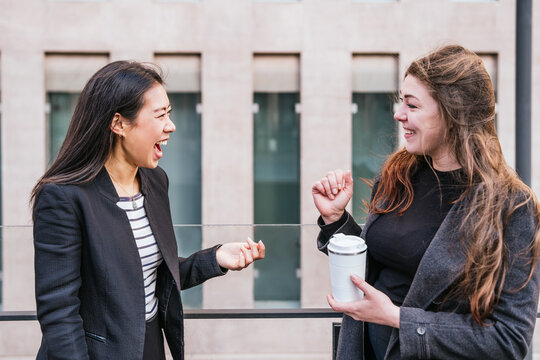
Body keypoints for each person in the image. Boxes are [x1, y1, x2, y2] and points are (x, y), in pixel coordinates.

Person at [312, 45, 540, 359]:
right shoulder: (398, 174)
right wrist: (336, 220)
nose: (398, 114)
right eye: (400, 101)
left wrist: (398, 319)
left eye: (412, 105)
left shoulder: (512, 206)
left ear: (452, 114)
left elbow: (509, 339)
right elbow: (374, 269)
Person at [32, 61, 265, 360]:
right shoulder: (63, 197)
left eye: (169, 113)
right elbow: (59, 312)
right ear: (118, 124)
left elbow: (145, 273)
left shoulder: (155, 180)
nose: (171, 125)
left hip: (150, 345)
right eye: (160, 115)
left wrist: (215, 258)